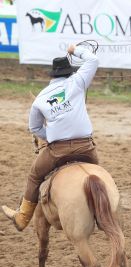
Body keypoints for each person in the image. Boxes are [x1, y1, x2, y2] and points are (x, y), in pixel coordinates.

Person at [1, 44, 99, 231]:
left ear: (52, 76)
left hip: (57, 150)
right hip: (86, 148)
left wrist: (53, 137)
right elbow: (93, 60)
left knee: (34, 176)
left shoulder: (40, 98)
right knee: (97, 174)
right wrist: (74, 49)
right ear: (69, 72)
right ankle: (101, 212)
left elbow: (34, 127)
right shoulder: (77, 81)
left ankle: (22, 217)